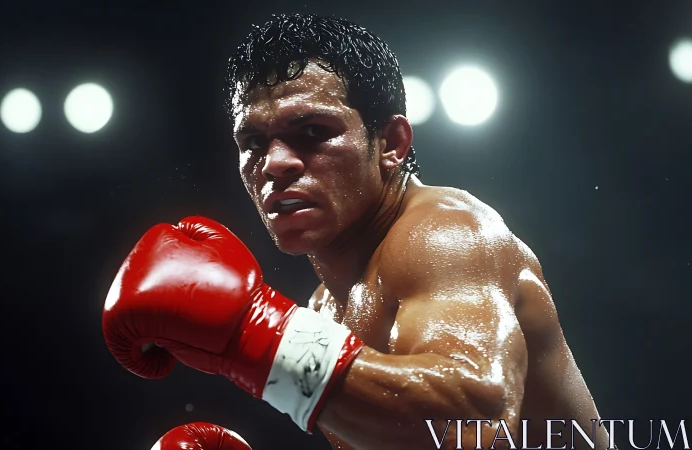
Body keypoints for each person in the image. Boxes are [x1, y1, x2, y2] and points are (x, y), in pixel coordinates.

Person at [102, 14, 610, 450]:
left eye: (313, 133)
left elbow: (472, 427)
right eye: (253, 141)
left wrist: (253, 336)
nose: (275, 163)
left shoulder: (446, 231)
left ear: (390, 143)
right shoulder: (324, 307)